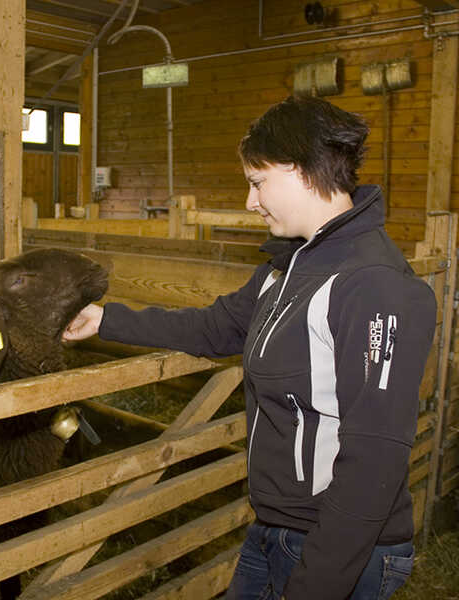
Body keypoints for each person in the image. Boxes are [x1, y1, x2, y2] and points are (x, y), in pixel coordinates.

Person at [62, 95, 436, 600]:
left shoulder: (374, 287)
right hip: (275, 529)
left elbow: (374, 461)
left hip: (341, 547)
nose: (250, 202)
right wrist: (108, 319)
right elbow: (218, 327)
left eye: (258, 183)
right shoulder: (289, 267)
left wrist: (317, 584)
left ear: (303, 171)